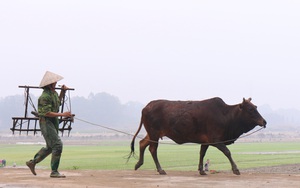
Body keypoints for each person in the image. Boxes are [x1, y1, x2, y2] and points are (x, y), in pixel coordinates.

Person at [26, 71, 72, 178]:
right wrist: (63, 114)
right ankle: (54, 172)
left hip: (53, 122)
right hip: (46, 123)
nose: (56, 84)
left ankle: (32, 162)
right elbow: (46, 112)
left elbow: (57, 103)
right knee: (57, 145)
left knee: (50, 147)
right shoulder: (44, 96)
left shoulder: (54, 94)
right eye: (54, 82)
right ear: (49, 84)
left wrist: (63, 92)